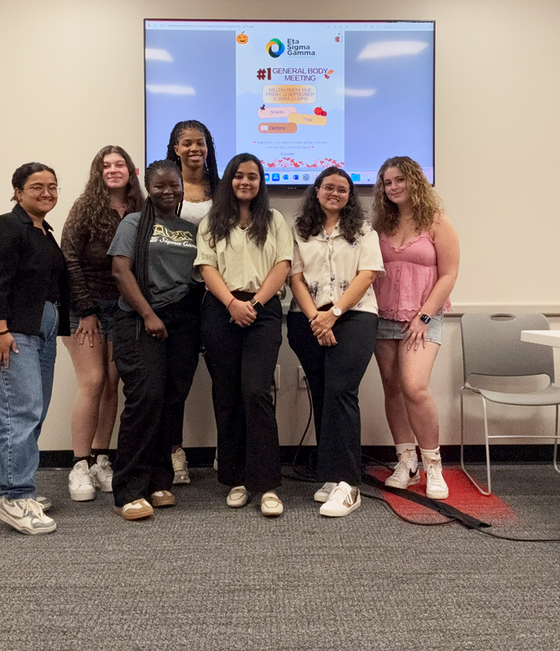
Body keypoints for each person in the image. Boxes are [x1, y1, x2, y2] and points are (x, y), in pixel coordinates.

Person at [0, 163, 70, 535]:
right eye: (37, 186)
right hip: (7, 333)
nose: (47, 192)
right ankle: (14, 496)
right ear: (17, 190)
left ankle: (2, 491)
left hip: (38, 333)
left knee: (27, 413)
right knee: (19, 414)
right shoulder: (4, 226)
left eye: (53, 186)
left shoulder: (43, 232)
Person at [195, 153, 292, 518]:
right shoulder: (212, 221)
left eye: (252, 177)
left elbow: (283, 263)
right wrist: (232, 303)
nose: (245, 182)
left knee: (256, 392)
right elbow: (206, 265)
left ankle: (266, 484)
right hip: (221, 310)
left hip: (263, 311)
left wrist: (255, 303)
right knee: (227, 395)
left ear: (261, 181)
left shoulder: (275, 220)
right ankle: (235, 479)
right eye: (239, 176)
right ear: (229, 181)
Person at [287, 167, 384, 517]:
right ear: (316, 190)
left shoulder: (362, 230)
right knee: (322, 392)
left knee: (342, 390)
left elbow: (368, 273)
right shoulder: (298, 230)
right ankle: (330, 474)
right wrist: (317, 317)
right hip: (307, 320)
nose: (335, 193)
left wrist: (335, 313)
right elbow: (294, 276)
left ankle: (347, 483)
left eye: (343, 190)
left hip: (355, 317)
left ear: (350, 197)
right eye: (329, 187)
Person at [108, 160, 200, 520]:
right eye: (159, 186)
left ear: (182, 186)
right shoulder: (133, 223)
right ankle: (128, 488)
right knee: (144, 399)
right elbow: (119, 270)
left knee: (171, 400)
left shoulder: (189, 228)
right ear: (148, 188)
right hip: (140, 318)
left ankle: (159, 480)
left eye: (174, 185)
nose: (168, 191)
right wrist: (148, 314)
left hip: (183, 321)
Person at [372, 156, 459, 500]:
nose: (393, 187)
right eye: (387, 182)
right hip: (383, 315)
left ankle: (433, 465)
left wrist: (423, 316)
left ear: (414, 181)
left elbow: (449, 274)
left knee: (414, 387)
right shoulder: (382, 224)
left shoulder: (437, 222)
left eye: (399, 180)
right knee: (392, 388)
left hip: (422, 317)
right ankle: (405, 461)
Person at [61, 146, 143, 501]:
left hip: (124, 308)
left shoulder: (142, 208)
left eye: (119, 164)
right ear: (98, 172)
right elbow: (68, 256)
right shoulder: (85, 207)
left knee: (112, 384)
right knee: (92, 381)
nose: (113, 170)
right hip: (86, 307)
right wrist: (86, 309)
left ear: (131, 170)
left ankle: (100, 460)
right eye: (106, 165)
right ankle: (79, 464)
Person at [165, 120, 220, 484]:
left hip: (218, 293)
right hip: (178, 295)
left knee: (226, 377)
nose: (194, 149)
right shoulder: (165, 188)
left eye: (200, 143)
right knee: (177, 380)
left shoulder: (221, 188)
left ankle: (228, 451)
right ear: (175, 148)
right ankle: (174, 452)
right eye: (187, 143)